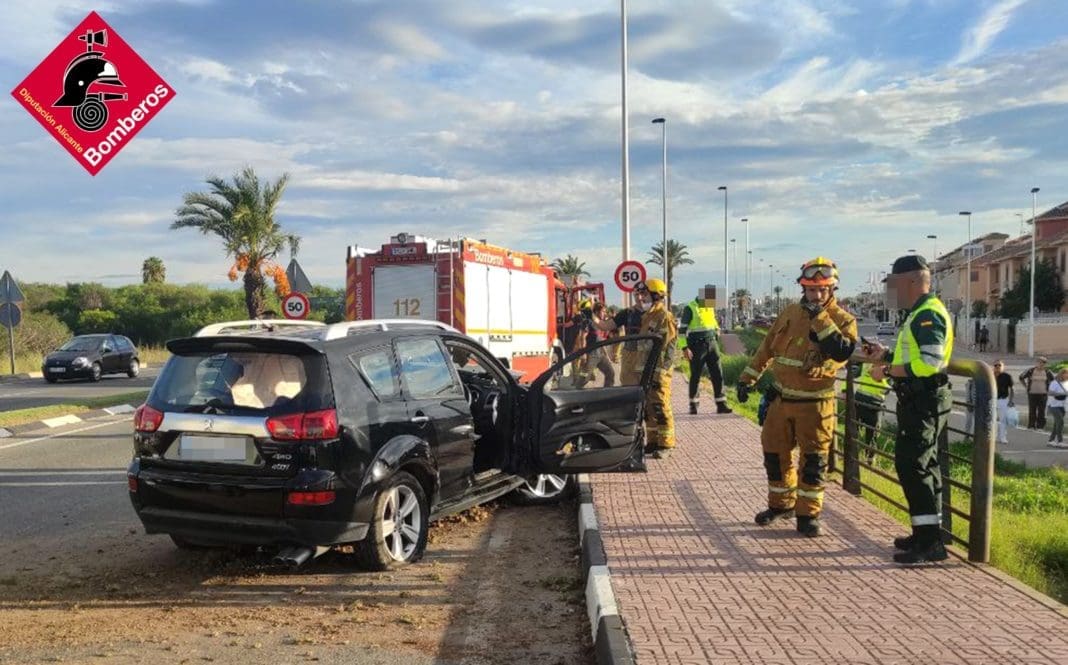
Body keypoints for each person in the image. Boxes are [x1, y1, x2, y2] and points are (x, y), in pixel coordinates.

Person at [736, 257, 857, 538]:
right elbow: (767, 348)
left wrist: (819, 317)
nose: (817, 295)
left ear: (832, 289)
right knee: (774, 455)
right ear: (803, 288)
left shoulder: (843, 320)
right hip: (782, 400)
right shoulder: (790, 313)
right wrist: (746, 379)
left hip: (815, 406)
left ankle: (808, 515)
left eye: (823, 290)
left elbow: (840, 351)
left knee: (813, 463)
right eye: (812, 290)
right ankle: (781, 505)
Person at [860, 254, 953, 564]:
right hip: (919, 400)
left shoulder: (928, 314)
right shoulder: (918, 313)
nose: (891, 291)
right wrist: (886, 355)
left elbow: (930, 362)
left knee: (913, 466)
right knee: (923, 466)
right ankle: (926, 534)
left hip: (924, 401)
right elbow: (913, 356)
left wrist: (886, 371)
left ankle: (930, 543)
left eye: (894, 284)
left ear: (912, 281)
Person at [636, 278, 678, 459]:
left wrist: (660, 372)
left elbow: (665, 347)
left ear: (655, 295)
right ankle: (653, 441)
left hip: (659, 371)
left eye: (644, 294)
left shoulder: (664, 317)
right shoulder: (648, 316)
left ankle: (666, 444)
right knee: (649, 408)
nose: (641, 297)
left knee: (661, 406)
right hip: (647, 370)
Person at [678, 285, 732, 415]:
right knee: (696, 375)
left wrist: (717, 330)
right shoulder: (690, 308)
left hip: (712, 344)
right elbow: (681, 331)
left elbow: (712, 322)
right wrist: (685, 348)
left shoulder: (709, 307)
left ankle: (721, 404)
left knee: (717, 374)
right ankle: (693, 405)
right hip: (697, 346)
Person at [591, 286, 647, 386]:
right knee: (629, 389)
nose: (639, 298)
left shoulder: (658, 314)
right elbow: (605, 326)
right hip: (631, 360)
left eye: (643, 294)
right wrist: (591, 315)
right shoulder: (627, 313)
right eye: (636, 294)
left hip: (649, 359)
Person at [853, 362, 891, 464]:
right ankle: (851, 455)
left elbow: (887, 390)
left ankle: (869, 460)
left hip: (874, 406)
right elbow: (853, 374)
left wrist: (880, 379)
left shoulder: (888, 369)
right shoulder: (866, 364)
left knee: (872, 434)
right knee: (853, 429)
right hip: (859, 402)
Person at [1019, 357, 1053, 430]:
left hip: (1043, 394)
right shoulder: (1030, 370)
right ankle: (1031, 426)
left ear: (1045, 364)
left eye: (1043, 362)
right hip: (1032, 393)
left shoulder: (1048, 372)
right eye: (1039, 362)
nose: (1041, 364)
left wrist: (1049, 389)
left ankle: (1040, 427)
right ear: (1036, 363)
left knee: (1041, 411)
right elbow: (1021, 377)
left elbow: (1053, 381)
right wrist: (1025, 386)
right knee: (1032, 410)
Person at [992, 361, 1015, 445]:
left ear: (1003, 367)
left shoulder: (1007, 376)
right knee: (992, 419)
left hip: (1003, 400)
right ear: (993, 366)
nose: (998, 366)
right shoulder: (990, 375)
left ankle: (1002, 437)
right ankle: (993, 437)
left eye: (1000, 365)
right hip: (992, 400)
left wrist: (1011, 400)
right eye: (996, 365)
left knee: (1003, 420)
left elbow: (1012, 389)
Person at [1046, 368, 1068, 448]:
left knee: (1057, 424)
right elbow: (1050, 393)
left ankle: (1050, 440)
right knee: (1060, 422)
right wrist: (1061, 393)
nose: (1067, 375)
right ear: (1061, 374)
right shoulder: (1054, 383)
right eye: (1066, 374)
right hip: (1054, 406)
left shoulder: (1066, 383)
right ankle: (1060, 441)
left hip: (1063, 406)